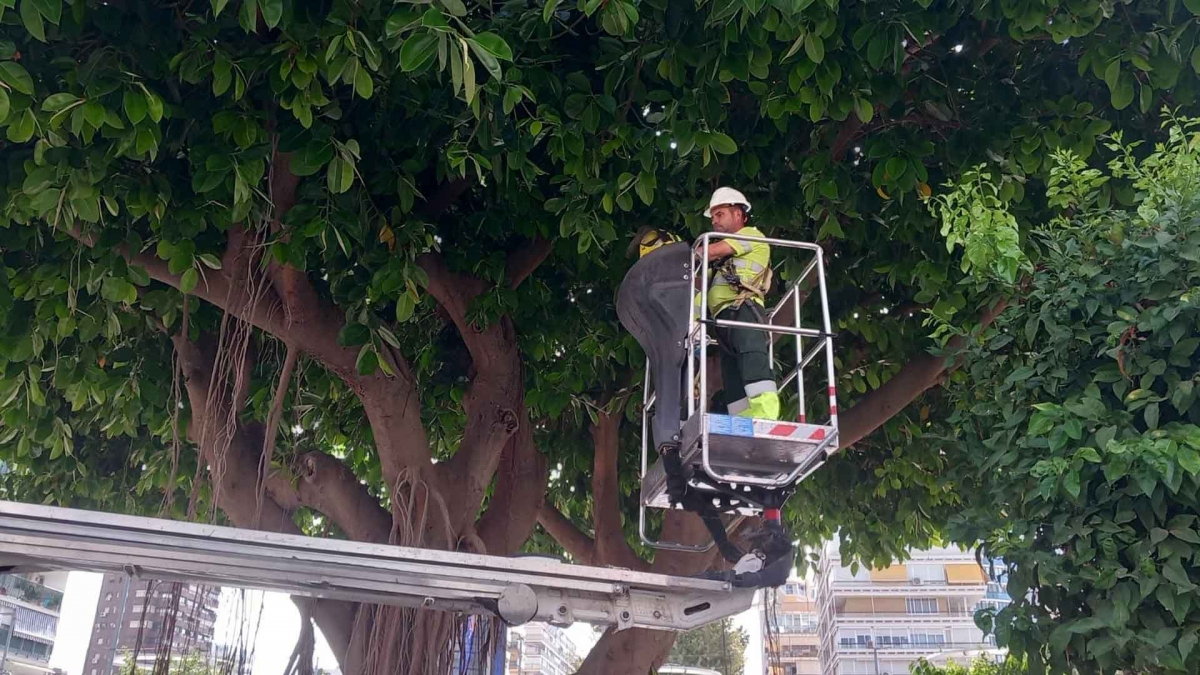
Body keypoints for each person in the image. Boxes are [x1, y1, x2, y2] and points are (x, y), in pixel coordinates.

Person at [701, 187, 779, 420]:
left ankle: (765, 416)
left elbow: (710, 251)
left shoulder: (750, 235)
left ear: (738, 214)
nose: (714, 221)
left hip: (744, 308)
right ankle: (743, 420)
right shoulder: (730, 255)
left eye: (719, 214)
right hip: (725, 317)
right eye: (713, 216)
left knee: (752, 358)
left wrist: (692, 252)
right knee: (732, 373)